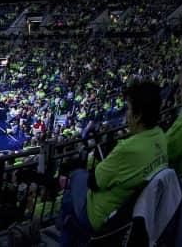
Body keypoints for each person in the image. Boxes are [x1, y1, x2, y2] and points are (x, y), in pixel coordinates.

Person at [59, 81, 168, 247]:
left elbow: (94, 182)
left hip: (103, 216)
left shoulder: (128, 149)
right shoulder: (160, 136)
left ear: (138, 115)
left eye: (129, 109)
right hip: (128, 214)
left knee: (74, 181)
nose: (126, 114)